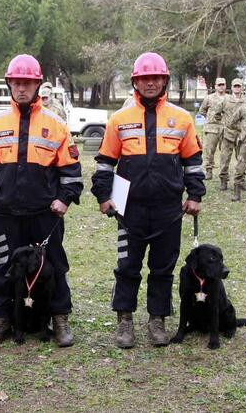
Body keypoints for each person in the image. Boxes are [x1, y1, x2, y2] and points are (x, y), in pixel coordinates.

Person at [92, 52, 205, 348]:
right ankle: (125, 320)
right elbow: (105, 162)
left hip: (169, 209)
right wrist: (103, 196)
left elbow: (193, 161)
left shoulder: (182, 118)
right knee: (127, 266)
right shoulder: (119, 119)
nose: (150, 83)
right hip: (129, 208)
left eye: (156, 78)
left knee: (162, 268)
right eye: (145, 78)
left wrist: (195, 195)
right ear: (135, 82)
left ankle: (157, 320)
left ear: (164, 80)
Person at [0, 54, 83, 348]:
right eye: (17, 83)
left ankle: (59, 319)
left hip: (45, 212)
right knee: (3, 266)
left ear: (37, 85)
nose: (22, 88)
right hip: (7, 213)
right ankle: (2, 319)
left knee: (55, 264)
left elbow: (71, 171)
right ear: (10, 84)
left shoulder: (56, 124)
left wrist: (64, 199)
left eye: (28, 83)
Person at [217, 78, 246, 191]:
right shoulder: (225, 100)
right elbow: (216, 114)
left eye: (239, 86)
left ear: (242, 87)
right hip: (228, 134)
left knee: (242, 159)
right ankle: (223, 181)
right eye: (235, 86)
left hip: (242, 135)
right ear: (232, 87)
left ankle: (241, 181)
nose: (237, 88)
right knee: (225, 159)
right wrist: (223, 125)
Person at [198, 77, 227, 180]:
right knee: (209, 151)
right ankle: (208, 171)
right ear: (215, 86)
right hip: (211, 128)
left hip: (225, 128)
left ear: (225, 86)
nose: (221, 86)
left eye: (223, 84)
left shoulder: (229, 98)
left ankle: (224, 173)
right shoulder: (209, 98)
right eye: (219, 85)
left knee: (225, 152)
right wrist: (205, 123)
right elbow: (202, 111)